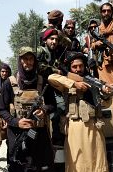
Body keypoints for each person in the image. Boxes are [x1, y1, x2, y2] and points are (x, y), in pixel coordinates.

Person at [48, 52, 109, 172]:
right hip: (74, 127)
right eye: (74, 67)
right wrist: (75, 84)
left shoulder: (93, 80)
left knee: (97, 163)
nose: (78, 69)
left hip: (93, 127)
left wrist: (106, 90)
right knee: (76, 164)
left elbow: (105, 95)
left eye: (80, 66)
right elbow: (51, 78)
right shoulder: (67, 82)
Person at [0, 47, 55, 172]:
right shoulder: (10, 83)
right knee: (18, 166)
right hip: (17, 134)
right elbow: (1, 109)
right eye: (25, 59)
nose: (28, 62)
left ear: (34, 61)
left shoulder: (42, 81)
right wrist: (16, 122)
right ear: (20, 61)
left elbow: (52, 104)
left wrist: (44, 110)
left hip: (39, 135)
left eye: (30, 59)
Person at [37, 28, 68, 171]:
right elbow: (40, 67)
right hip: (42, 90)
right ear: (45, 40)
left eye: (56, 39)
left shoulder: (56, 52)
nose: (54, 42)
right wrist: (56, 71)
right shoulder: (41, 51)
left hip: (53, 90)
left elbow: (67, 42)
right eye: (51, 39)